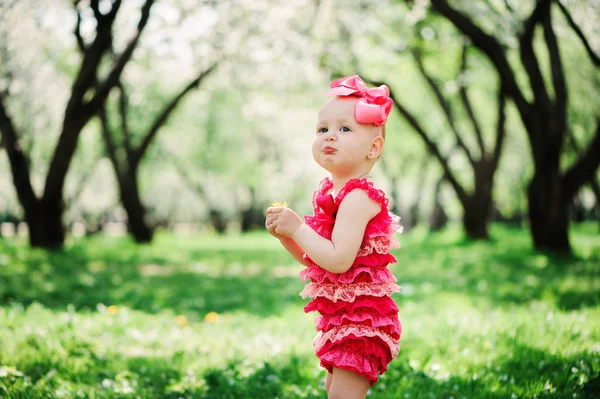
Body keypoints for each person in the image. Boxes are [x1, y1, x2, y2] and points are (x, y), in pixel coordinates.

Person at [265, 75, 402, 399]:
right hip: (341, 317)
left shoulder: (358, 197)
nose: (330, 137)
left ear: (374, 148)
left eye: (344, 129)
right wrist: (289, 239)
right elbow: (319, 259)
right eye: (322, 129)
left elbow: (339, 260)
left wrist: (299, 228)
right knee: (334, 393)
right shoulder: (331, 193)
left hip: (363, 322)